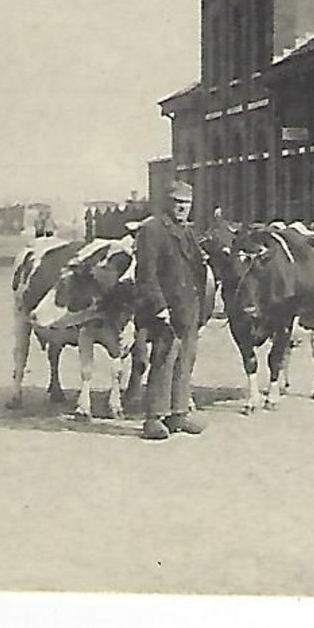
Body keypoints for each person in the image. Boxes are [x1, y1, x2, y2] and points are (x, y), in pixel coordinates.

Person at [133, 180, 208, 441]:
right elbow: (146, 274)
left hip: (189, 307)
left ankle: (179, 412)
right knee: (164, 359)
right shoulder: (152, 230)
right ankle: (154, 418)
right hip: (165, 309)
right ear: (168, 203)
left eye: (186, 204)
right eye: (177, 203)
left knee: (185, 359)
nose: (182, 208)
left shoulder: (186, 231)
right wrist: (159, 306)